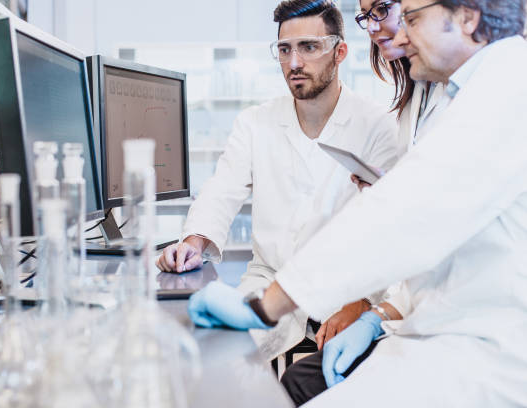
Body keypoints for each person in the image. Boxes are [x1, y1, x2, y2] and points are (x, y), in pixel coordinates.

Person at [188, 0, 527, 406]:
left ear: (468, 17)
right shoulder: (464, 91)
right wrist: (379, 316)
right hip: (427, 324)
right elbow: (419, 220)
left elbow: (402, 215)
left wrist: (270, 306)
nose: (399, 35)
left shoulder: (506, 88)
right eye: (284, 49)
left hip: (482, 348)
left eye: (412, 18)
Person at [157, 0, 399, 360]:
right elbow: (221, 192)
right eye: (284, 49)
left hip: (346, 291)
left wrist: (364, 301)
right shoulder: (255, 122)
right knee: (211, 356)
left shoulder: (379, 125)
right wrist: (193, 243)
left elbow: (394, 231)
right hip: (268, 282)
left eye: (309, 47)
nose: (295, 63)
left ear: (340, 52)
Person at [280, 0, 448, 404]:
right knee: (298, 379)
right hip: (404, 302)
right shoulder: (414, 94)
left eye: (385, 11)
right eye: (366, 16)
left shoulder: (471, 102)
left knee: (302, 383)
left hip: (444, 322)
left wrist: (374, 310)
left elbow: (436, 230)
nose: (374, 27)